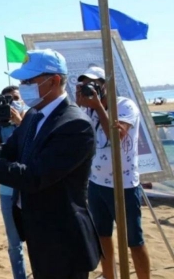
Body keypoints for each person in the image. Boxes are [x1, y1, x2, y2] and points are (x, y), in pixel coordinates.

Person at [0, 49, 102, 279]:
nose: (22, 86)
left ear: (55, 80)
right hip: (37, 229)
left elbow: (34, 177)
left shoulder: (75, 125)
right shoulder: (33, 114)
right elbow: (9, 150)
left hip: (63, 238)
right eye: (21, 81)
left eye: (29, 81)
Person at [76, 66, 150, 279]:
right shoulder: (86, 110)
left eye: (94, 84)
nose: (90, 89)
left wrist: (98, 107)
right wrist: (80, 106)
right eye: (85, 85)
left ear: (106, 85)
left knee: (134, 240)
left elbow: (116, 138)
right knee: (102, 237)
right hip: (96, 183)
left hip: (123, 185)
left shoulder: (124, 105)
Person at [0, 85, 27, 279]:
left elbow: (34, 142)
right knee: (14, 242)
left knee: (38, 239)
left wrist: (19, 121)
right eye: (6, 100)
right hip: (7, 191)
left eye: (15, 98)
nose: (11, 103)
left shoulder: (31, 118)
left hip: (30, 188)